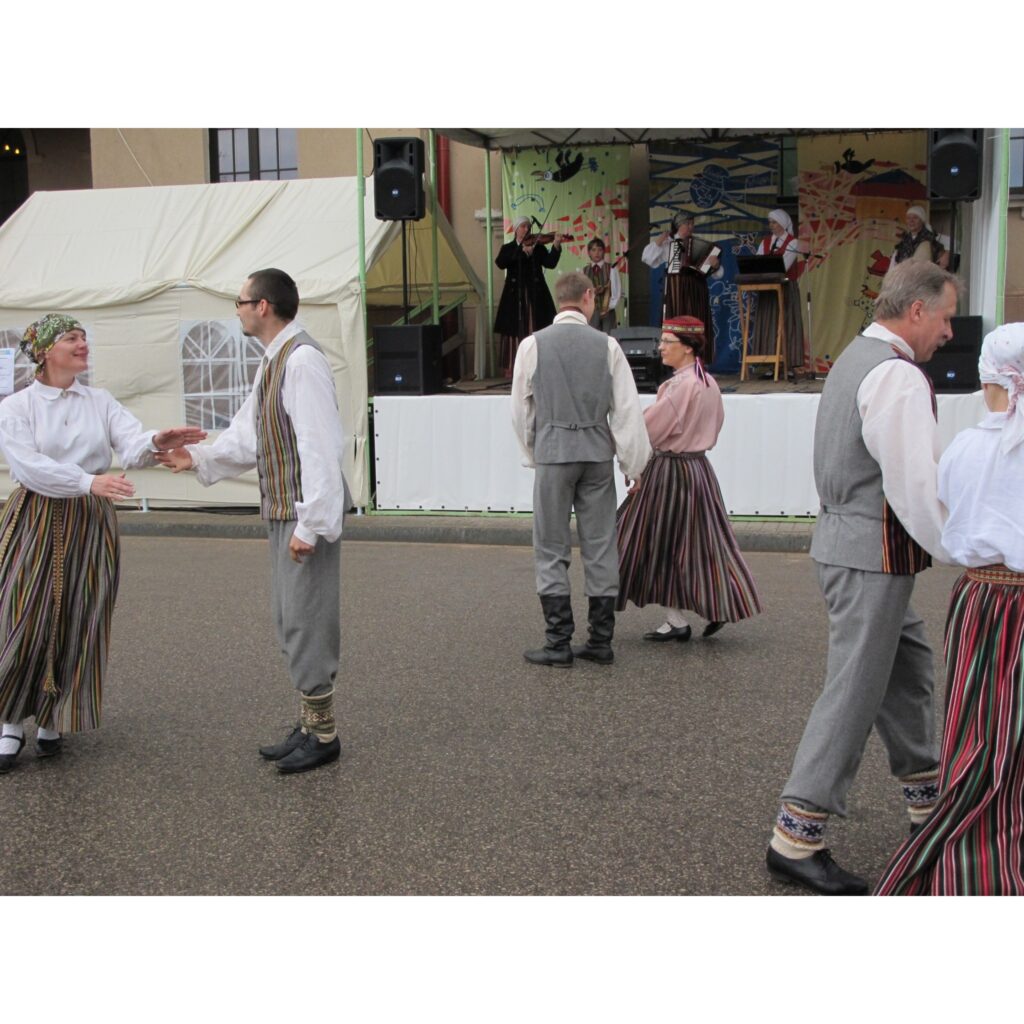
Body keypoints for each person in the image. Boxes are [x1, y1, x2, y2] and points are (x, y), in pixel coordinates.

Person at [765, 260, 961, 895]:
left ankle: (927, 805)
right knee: (853, 690)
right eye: (947, 317)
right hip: (872, 552)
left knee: (908, 672)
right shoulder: (898, 377)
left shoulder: (856, 356)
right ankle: (796, 836)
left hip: (853, 545)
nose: (950, 332)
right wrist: (966, 549)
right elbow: (913, 484)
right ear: (917, 311)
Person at [156, 269, 350, 775]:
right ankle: (309, 724)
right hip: (287, 510)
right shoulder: (274, 361)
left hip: (303, 511)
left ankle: (324, 735)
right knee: (289, 617)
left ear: (263, 306)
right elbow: (249, 437)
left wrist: (312, 523)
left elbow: (320, 445)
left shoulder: (301, 360)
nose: (237, 310)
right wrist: (197, 459)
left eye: (241, 302)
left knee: (308, 620)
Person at [0, 314, 205, 773]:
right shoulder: (16, 407)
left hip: (91, 520)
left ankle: (55, 717)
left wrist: (155, 440)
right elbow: (29, 466)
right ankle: (9, 721)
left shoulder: (100, 400)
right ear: (45, 350)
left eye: (84, 338)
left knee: (79, 613)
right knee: (21, 613)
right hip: (37, 515)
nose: (82, 345)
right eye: (72, 338)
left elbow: (129, 443)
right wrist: (86, 481)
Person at [875, 323, 1024, 895]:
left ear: (990, 382)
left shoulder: (966, 449)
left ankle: (974, 832)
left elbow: (949, 514)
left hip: (985, 600)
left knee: (981, 723)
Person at [510, 271, 650, 667]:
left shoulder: (532, 345)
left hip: (554, 453)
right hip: (596, 453)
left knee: (551, 547)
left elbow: (522, 409)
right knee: (601, 544)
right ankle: (600, 641)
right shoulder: (608, 346)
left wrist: (534, 451)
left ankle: (558, 643)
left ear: (560, 300)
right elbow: (626, 410)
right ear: (588, 297)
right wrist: (633, 463)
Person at [616, 316, 762, 641]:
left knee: (646, 540)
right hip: (698, 470)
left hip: (671, 471)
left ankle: (700, 611)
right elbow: (717, 425)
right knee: (697, 542)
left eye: (667, 342)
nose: (660, 347)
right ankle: (682, 616)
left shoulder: (681, 387)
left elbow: (647, 430)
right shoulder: (707, 382)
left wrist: (630, 458)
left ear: (686, 347)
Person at [641, 212, 722, 366]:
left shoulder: (700, 245)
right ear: (679, 225)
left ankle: (698, 362)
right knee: (676, 324)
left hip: (696, 290)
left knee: (697, 324)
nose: (691, 227)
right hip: (675, 289)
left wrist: (716, 265)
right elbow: (648, 259)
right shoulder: (669, 243)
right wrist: (659, 241)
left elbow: (717, 274)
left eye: (692, 224)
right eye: (687, 224)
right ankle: (674, 363)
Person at [494, 215, 562, 376]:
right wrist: (522, 253)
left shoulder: (537, 247)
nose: (526, 230)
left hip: (535, 295)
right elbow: (500, 263)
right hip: (514, 296)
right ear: (516, 229)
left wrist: (556, 245)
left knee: (537, 327)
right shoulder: (508, 248)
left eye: (528, 227)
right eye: (523, 226)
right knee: (514, 330)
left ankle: (538, 367)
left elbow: (550, 263)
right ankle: (513, 368)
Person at [749, 209, 806, 372]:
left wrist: (765, 266)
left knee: (786, 323)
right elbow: (756, 263)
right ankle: (769, 364)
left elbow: (784, 266)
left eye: (774, 222)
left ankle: (787, 364)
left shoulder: (793, 243)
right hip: (767, 289)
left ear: (782, 223)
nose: (771, 226)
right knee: (769, 324)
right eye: (770, 222)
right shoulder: (765, 242)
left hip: (786, 288)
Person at [889, 205, 947, 271]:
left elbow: (941, 264)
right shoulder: (903, 242)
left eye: (915, 218)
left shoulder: (931, 241)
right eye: (908, 218)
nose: (911, 221)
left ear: (922, 220)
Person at [582, 238, 621, 333]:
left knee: (609, 337)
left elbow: (616, 290)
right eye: (593, 250)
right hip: (592, 311)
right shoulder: (584, 271)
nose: (597, 253)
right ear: (589, 253)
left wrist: (609, 307)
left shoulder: (611, 269)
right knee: (593, 337)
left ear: (603, 252)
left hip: (608, 311)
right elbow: (581, 292)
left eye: (600, 250)